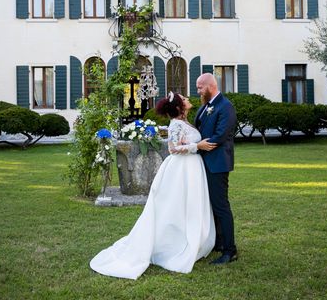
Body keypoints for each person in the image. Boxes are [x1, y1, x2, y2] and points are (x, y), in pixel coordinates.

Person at [89, 92, 215, 280]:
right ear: (180, 107)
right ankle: (176, 242)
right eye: (185, 99)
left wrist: (193, 145)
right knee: (178, 205)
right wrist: (197, 146)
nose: (189, 100)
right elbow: (173, 149)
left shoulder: (184, 122)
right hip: (182, 168)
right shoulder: (176, 124)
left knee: (190, 203)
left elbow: (182, 142)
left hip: (191, 168)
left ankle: (194, 236)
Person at [195, 73, 238, 264]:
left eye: (199, 87)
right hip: (205, 163)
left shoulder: (225, 106)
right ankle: (219, 242)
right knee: (211, 205)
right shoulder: (205, 106)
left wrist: (199, 146)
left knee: (221, 206)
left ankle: (230, 250)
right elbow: (199, 130)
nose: (198, 91)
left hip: (218, 164)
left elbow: (221, 135)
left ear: (210, 86)